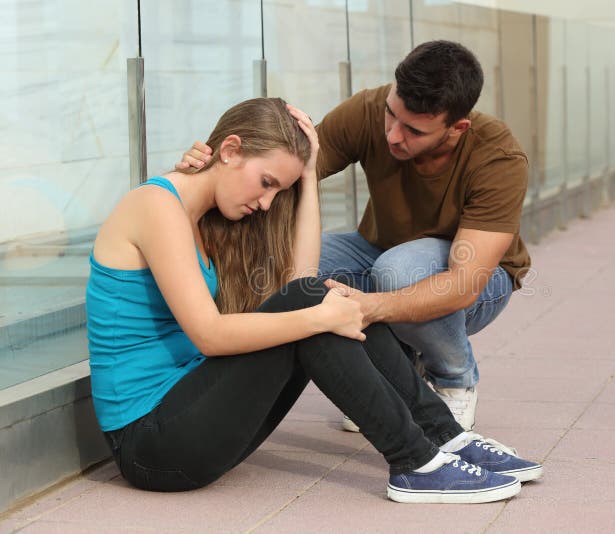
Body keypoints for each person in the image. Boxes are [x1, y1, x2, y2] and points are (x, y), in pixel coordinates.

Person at [87, 97, 542, 505]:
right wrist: (319, 314)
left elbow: (301, 280)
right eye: (266, 182)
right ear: (229, 151)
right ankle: (415, 461)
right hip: (150, 444)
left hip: (192, 416)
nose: (266, 204)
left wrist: (307, 176)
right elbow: (209, 335)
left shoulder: (203, 216)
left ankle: (445, 437)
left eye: (277, 191)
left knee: (324, 296)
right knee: (316, 309)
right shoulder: (155, 207)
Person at [179, 41, 532, 434]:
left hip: (479, 281)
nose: (393, 135)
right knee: (292, 269)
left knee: (398, 273)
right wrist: (210, 170)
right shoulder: (367, 109)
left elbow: (462, 284)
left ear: (457, 128)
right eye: (391, 115)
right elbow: (293, 172)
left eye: (413, 130)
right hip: (377, 252)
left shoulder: (497, 157)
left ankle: (453, 380)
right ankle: (397, 367)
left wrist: (368, 308)